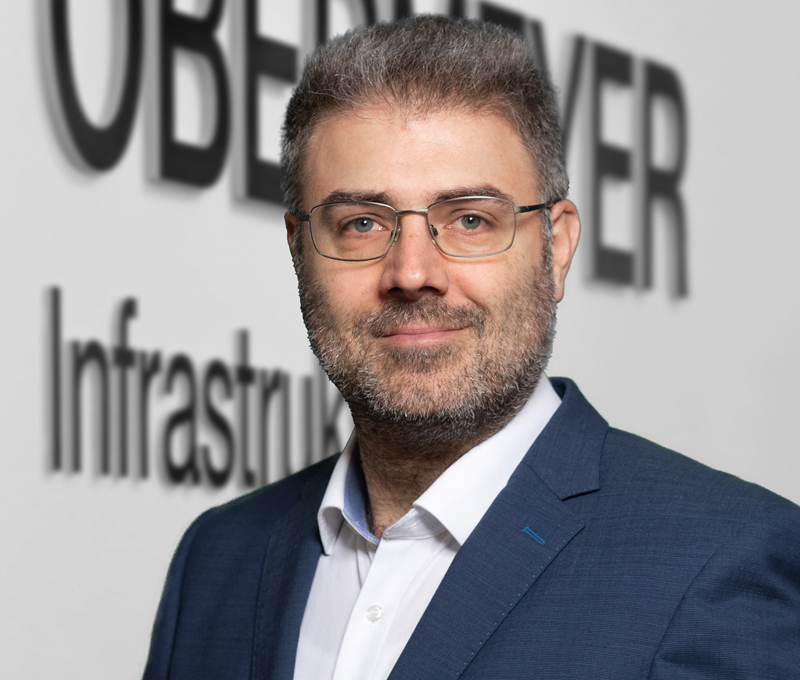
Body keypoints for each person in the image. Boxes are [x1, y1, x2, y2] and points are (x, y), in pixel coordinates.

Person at [143, 15, 800, 680]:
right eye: (362, 223)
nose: (411, 273)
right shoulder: (216, 560)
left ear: (556, 248)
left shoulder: (722, 561)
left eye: (470, 220)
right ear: (298, 251)